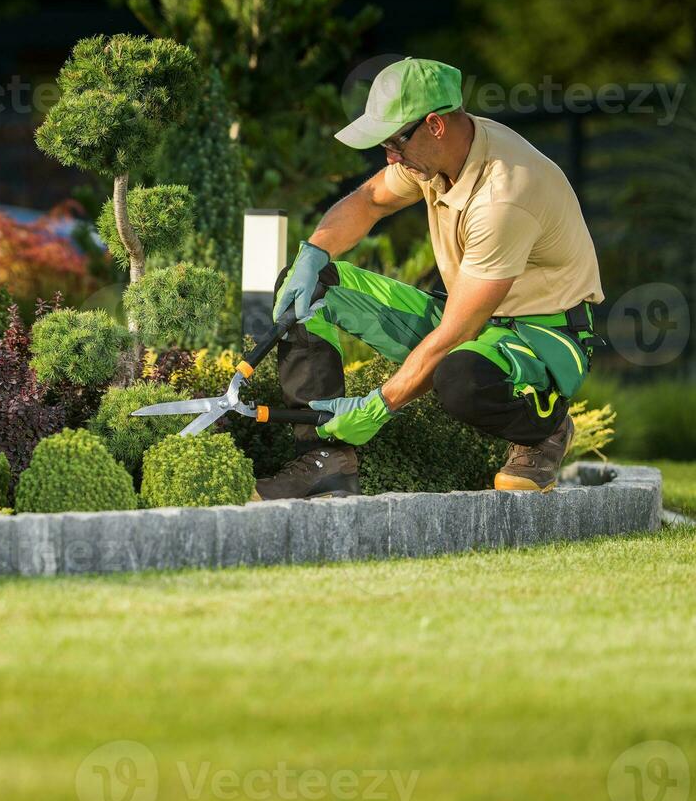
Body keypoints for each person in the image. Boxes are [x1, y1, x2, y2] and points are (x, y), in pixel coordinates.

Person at [257, 57, 603, 500]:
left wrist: (378, 405)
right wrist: (313, 252)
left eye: (395, 143)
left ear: (435, 125)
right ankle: (326, 459)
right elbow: (369, 202)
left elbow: (457, 333)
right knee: (307, 287)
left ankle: (546, 428)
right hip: (471, 314)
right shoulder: (436, 157)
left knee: (460, 377)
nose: (390, 157)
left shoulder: (505, 197)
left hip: (543, 336)